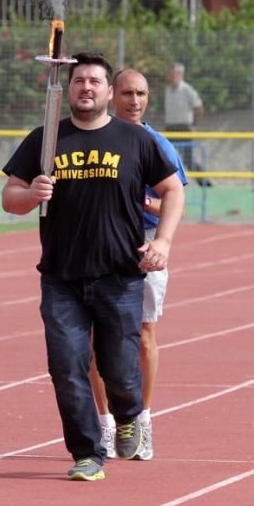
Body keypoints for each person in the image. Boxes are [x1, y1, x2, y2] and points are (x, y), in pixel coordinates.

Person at [1, 52, 185, 482]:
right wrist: (31, 196)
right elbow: (10, 195)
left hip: (119, 276)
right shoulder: (46, 140)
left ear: (107, 91)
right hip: (62, 276)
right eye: (79, 80)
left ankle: (127, 416)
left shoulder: (135, 140)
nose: (87, 87)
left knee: (119, 369)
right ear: (69, 90)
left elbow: (173, 189)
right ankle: (87, 451)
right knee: (67, 365)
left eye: (95, 81)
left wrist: (163, 241)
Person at [88, 68, 187, 463]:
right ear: (112, 95)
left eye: (141, 93)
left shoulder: (156, 143)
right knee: (96, 342)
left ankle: (143, 420)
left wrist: (141, 205)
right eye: (127, 92)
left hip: (143, 249)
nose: (134, 100)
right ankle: (106, 423)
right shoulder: (95, 138)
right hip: (98, 250)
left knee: (143, 337)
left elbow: (172, 200)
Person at [163, 62, 209, 186]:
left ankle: (205, 183)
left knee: (188, 159)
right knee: (165, 156)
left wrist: (194, 125)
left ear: (181, 75)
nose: (173, 76)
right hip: (170, 128)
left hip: (184, 127)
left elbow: (199, 108)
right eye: (171, 74)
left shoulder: (187, 89)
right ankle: (166, 185)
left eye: (176, 74)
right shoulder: (167, 90)